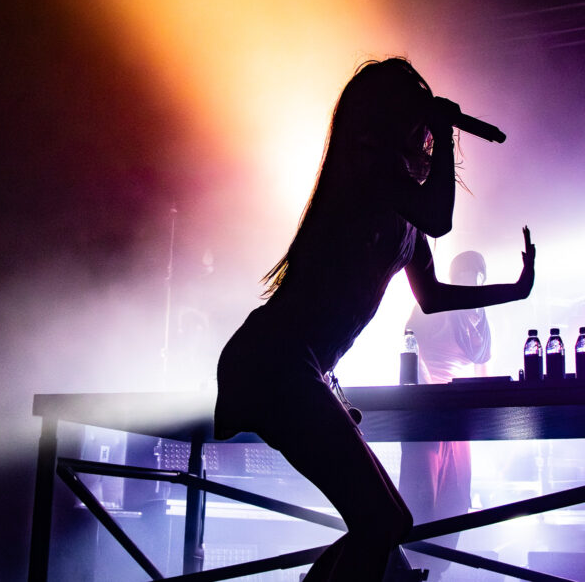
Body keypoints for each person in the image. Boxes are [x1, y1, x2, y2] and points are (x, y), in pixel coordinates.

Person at [214, 58, 535, 581]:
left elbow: (431, 296)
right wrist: (446, 129)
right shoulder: (365, 171)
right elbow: (442, 216)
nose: (424, 123)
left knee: (386, 522)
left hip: (299, 367)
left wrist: (515, 291)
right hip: (274, 361)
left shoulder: (406, 216)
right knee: (383, 520)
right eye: (414, 107)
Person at [398, 250, 491, 581]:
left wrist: (479, 405)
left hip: (458, 416)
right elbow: (410, 348)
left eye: (477, 274)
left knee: (456, 493)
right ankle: (411, 566)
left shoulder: (480, 316)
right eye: (465, 273)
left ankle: (436, 570)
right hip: (428, 411)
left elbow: (481, 367)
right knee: (422, 488)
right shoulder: (435, 303)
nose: (472, 280)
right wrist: (427, 394)